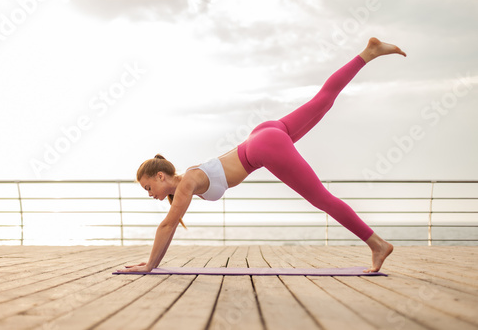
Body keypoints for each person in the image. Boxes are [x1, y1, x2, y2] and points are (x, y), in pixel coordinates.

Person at [116, 37, 406, 274]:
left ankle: (377, 244)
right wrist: (153, 262)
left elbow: (167, 224)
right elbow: (169, 224)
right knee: (322, 101)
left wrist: (150, 265)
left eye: (148, 187)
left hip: (263, 147)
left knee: (321, 198)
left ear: (160, 175)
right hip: (263, 135)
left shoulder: (188, 183)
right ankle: (368, 53)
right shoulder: (189, 176)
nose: (149, 193)